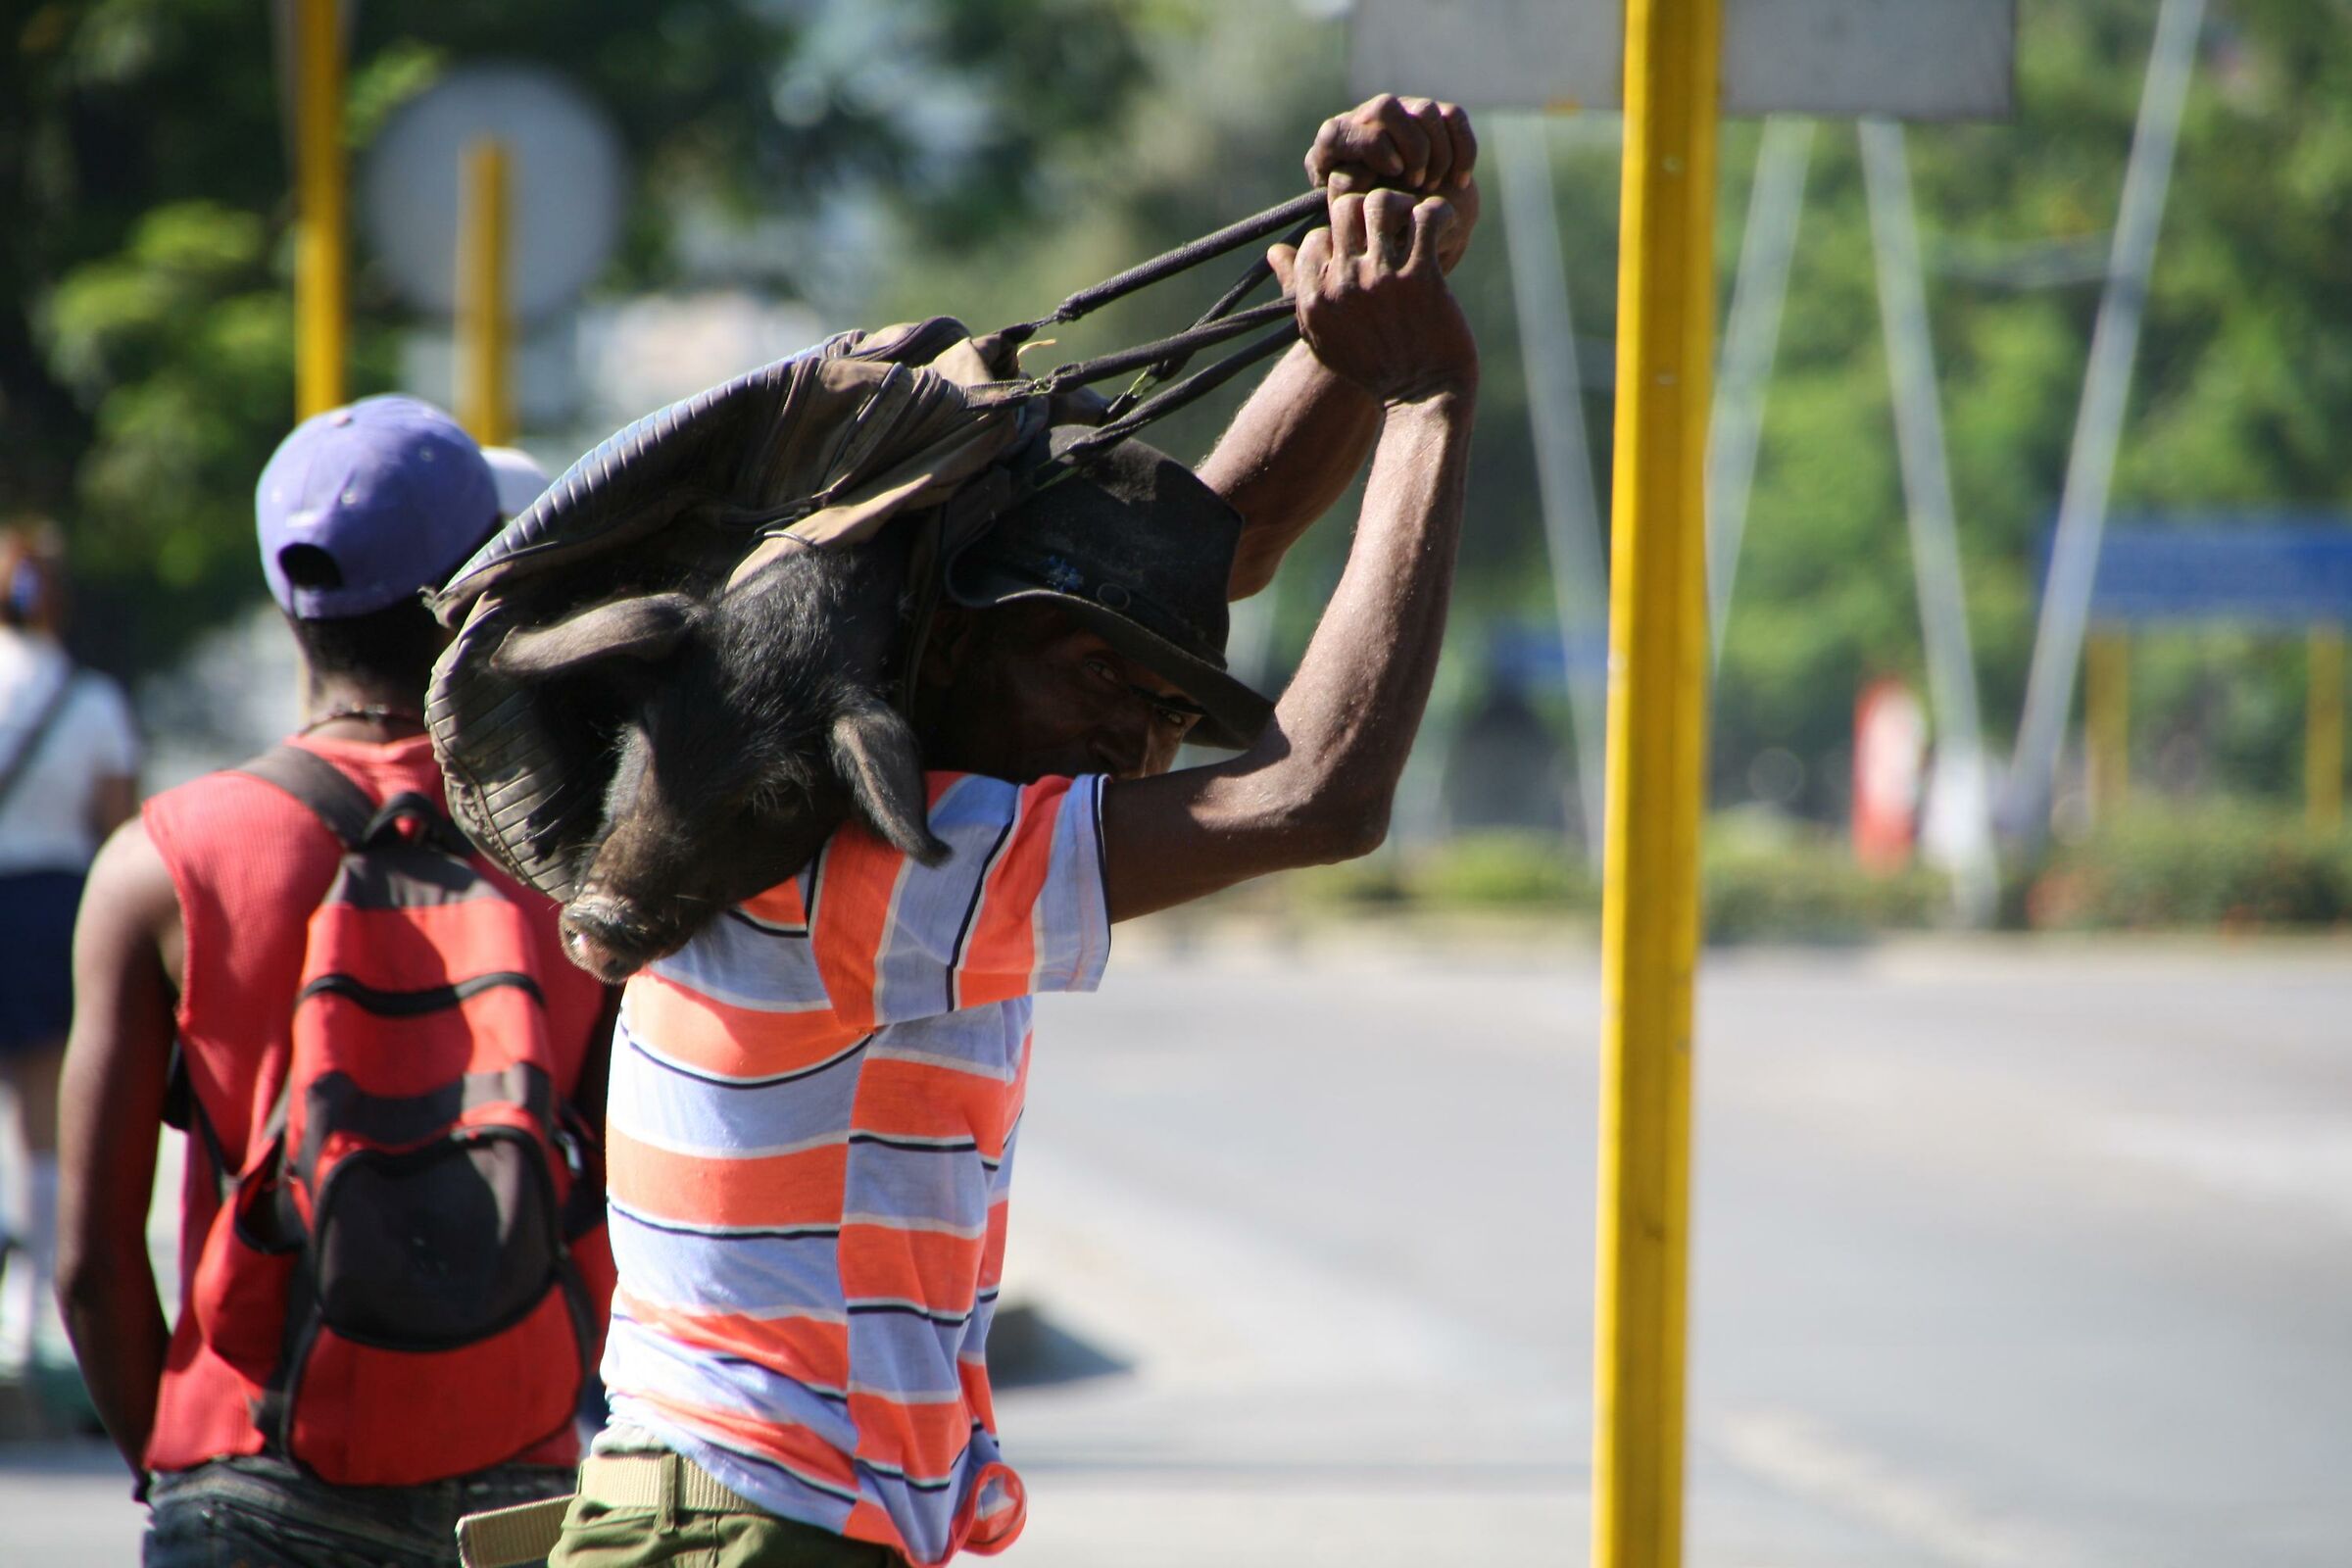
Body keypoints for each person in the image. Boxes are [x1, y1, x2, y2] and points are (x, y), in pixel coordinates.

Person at [517, 96, 1484, 1568]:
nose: (1137, 736)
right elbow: (1318, 795)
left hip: (755, 1523)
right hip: (761, 1528)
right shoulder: (877, 863)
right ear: (947, 651)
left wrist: (1359, 296)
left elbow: (1201, 559)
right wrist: (1422, 399)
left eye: (1166, 707)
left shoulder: (796, 802)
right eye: (1096, 677)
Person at [59, 396, 617, 1567]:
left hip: (253, 1463)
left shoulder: (161, 863)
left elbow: (96, 1268)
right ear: (482, 580)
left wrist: (181, 1469)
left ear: (284, 595)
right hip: (523, 1480)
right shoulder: (579, 846)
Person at [0, 525, 140, 1380]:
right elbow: (118, 830)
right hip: (53, 906)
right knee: (41, 1117)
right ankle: (27, 1320)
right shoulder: (89, 701)